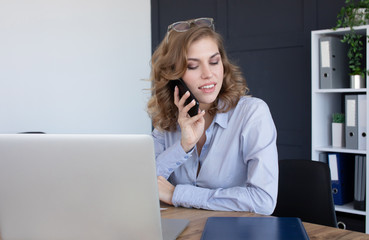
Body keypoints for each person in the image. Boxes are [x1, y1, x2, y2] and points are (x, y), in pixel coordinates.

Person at [147, 17, 278, 215]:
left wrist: (177, 194)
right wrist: (183, 146)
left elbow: (263, 201)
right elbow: (143, 184)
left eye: (214, 61)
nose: (208, 74)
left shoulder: (252, 113)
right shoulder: (169, 121)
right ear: (174, 76)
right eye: (192, 66)